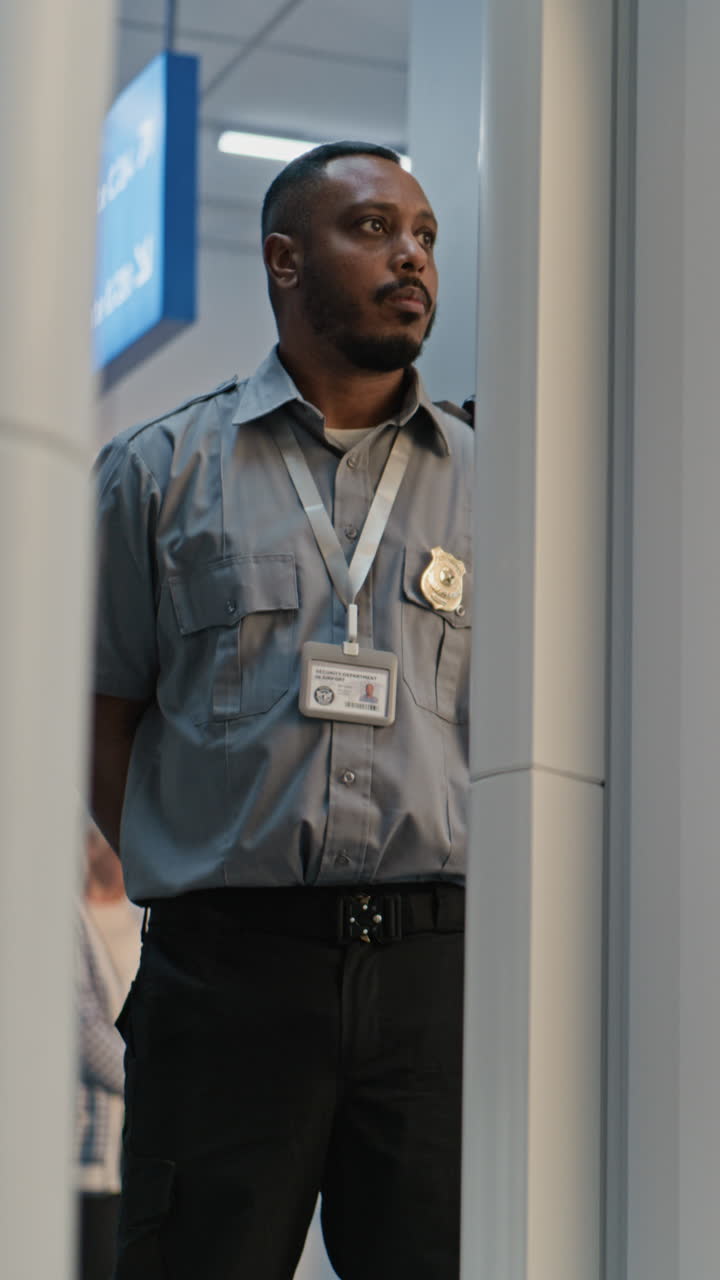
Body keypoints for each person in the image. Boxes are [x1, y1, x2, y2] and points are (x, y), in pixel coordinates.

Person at [91, 140, 472, 1280]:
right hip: (228, 978)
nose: (410, 255)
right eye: (371, 229)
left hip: (434, 981)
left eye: (425, 235)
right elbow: (101, 713)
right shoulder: (156, 471)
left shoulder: (495, 483)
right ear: (283, 259)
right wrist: (202, 862)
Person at [75, 823, 141, 1280]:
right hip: (85, 1156)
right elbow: (83, 1033)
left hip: (136, 1153)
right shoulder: (66, 922)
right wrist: (161, 1080)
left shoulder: (144, 919)